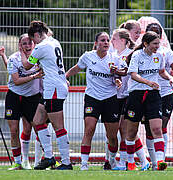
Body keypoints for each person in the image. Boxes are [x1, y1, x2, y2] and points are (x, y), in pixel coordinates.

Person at [65, 32, 122, 171]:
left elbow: (123, 71)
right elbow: (77, 68)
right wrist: (64, 76)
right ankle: (84, 164)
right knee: (89, 129)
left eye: (108, 40)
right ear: (96, 43)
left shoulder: (114, 58)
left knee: (112, 136)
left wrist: (118, 76)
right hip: (92, 98)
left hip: (110, 99)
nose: (106, 42)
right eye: (103, 40)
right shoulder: (88, 56)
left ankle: (111, 160)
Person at [22, 20, 72, 170]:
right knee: (37, 121)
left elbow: (26, 66)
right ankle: (49, 157)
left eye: (33, 40)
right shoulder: (54, 41)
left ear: (37, 35)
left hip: (54, 88)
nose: (32, 44)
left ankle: (66, 162)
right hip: (53, 87)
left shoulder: (41, 47)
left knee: (58, 127)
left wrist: (22, 51)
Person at [125, 31, 173, 171]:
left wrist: (170, 79)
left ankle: (159, 162)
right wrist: (148, 82)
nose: (157, 46)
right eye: (154, 44)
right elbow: (133, 74)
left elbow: (161, 72)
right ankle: (130, 162)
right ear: (146, 44)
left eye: (158, 43)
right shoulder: (136, 55)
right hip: (136, 95)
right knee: (132, 132)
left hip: (153, 95)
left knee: (157, 128)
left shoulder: (159, 56)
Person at [0, 34, 43, 170]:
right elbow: (17, 81)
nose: (27, 45)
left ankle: (44, 160)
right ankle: (18, 162)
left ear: (34, 44)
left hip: (32, 97)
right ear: (20, 45)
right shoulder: (14, 58)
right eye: (24, 43)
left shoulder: (39, 58)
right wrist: (34, 76)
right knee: (14, 130)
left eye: (30, 42)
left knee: (38, 128)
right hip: (15, 96)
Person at [142, 22, 173, 170]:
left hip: (165, 93)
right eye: (151, 32)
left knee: (161, 126)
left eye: (157, 33)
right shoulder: (139, 53)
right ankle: (152, 162)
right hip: (148, 93)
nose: (155, 35)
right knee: (149, 128)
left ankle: (160, 160)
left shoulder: (166, 52)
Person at [110, 28, 150, 171]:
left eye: (113, 39)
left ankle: (131, 161)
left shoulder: (130, 54)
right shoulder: (114, 55)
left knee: (127, 129)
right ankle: (136, 161)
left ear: (122, 40)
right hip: (118, 96)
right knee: (124, 130)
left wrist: (118, 73)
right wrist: (116, 79)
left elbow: (128, 72)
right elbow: (116, 75)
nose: (111, 41)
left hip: (129, 95)